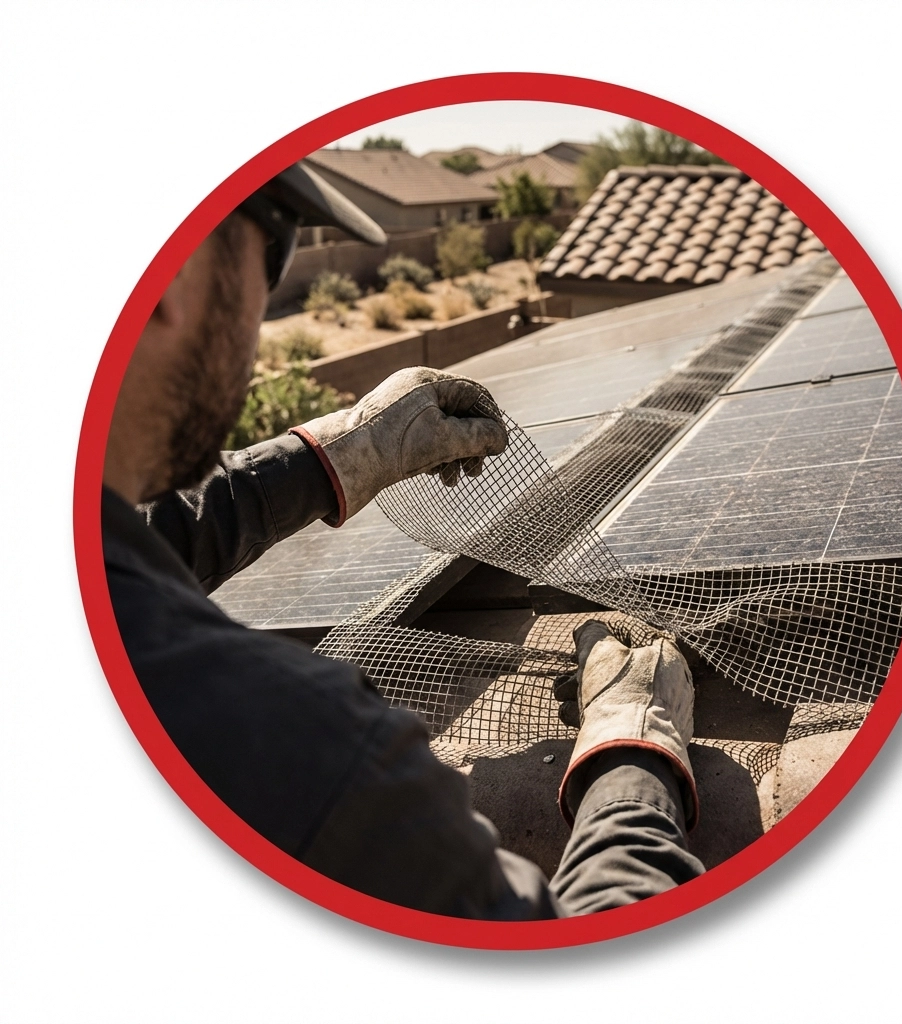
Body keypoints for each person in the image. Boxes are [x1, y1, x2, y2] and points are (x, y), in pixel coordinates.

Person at [101, 162, 705, 918]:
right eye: (273, 255)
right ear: (173, 275)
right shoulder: (296, 748)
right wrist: (632, 754)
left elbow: (110, 544)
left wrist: (339, 455)